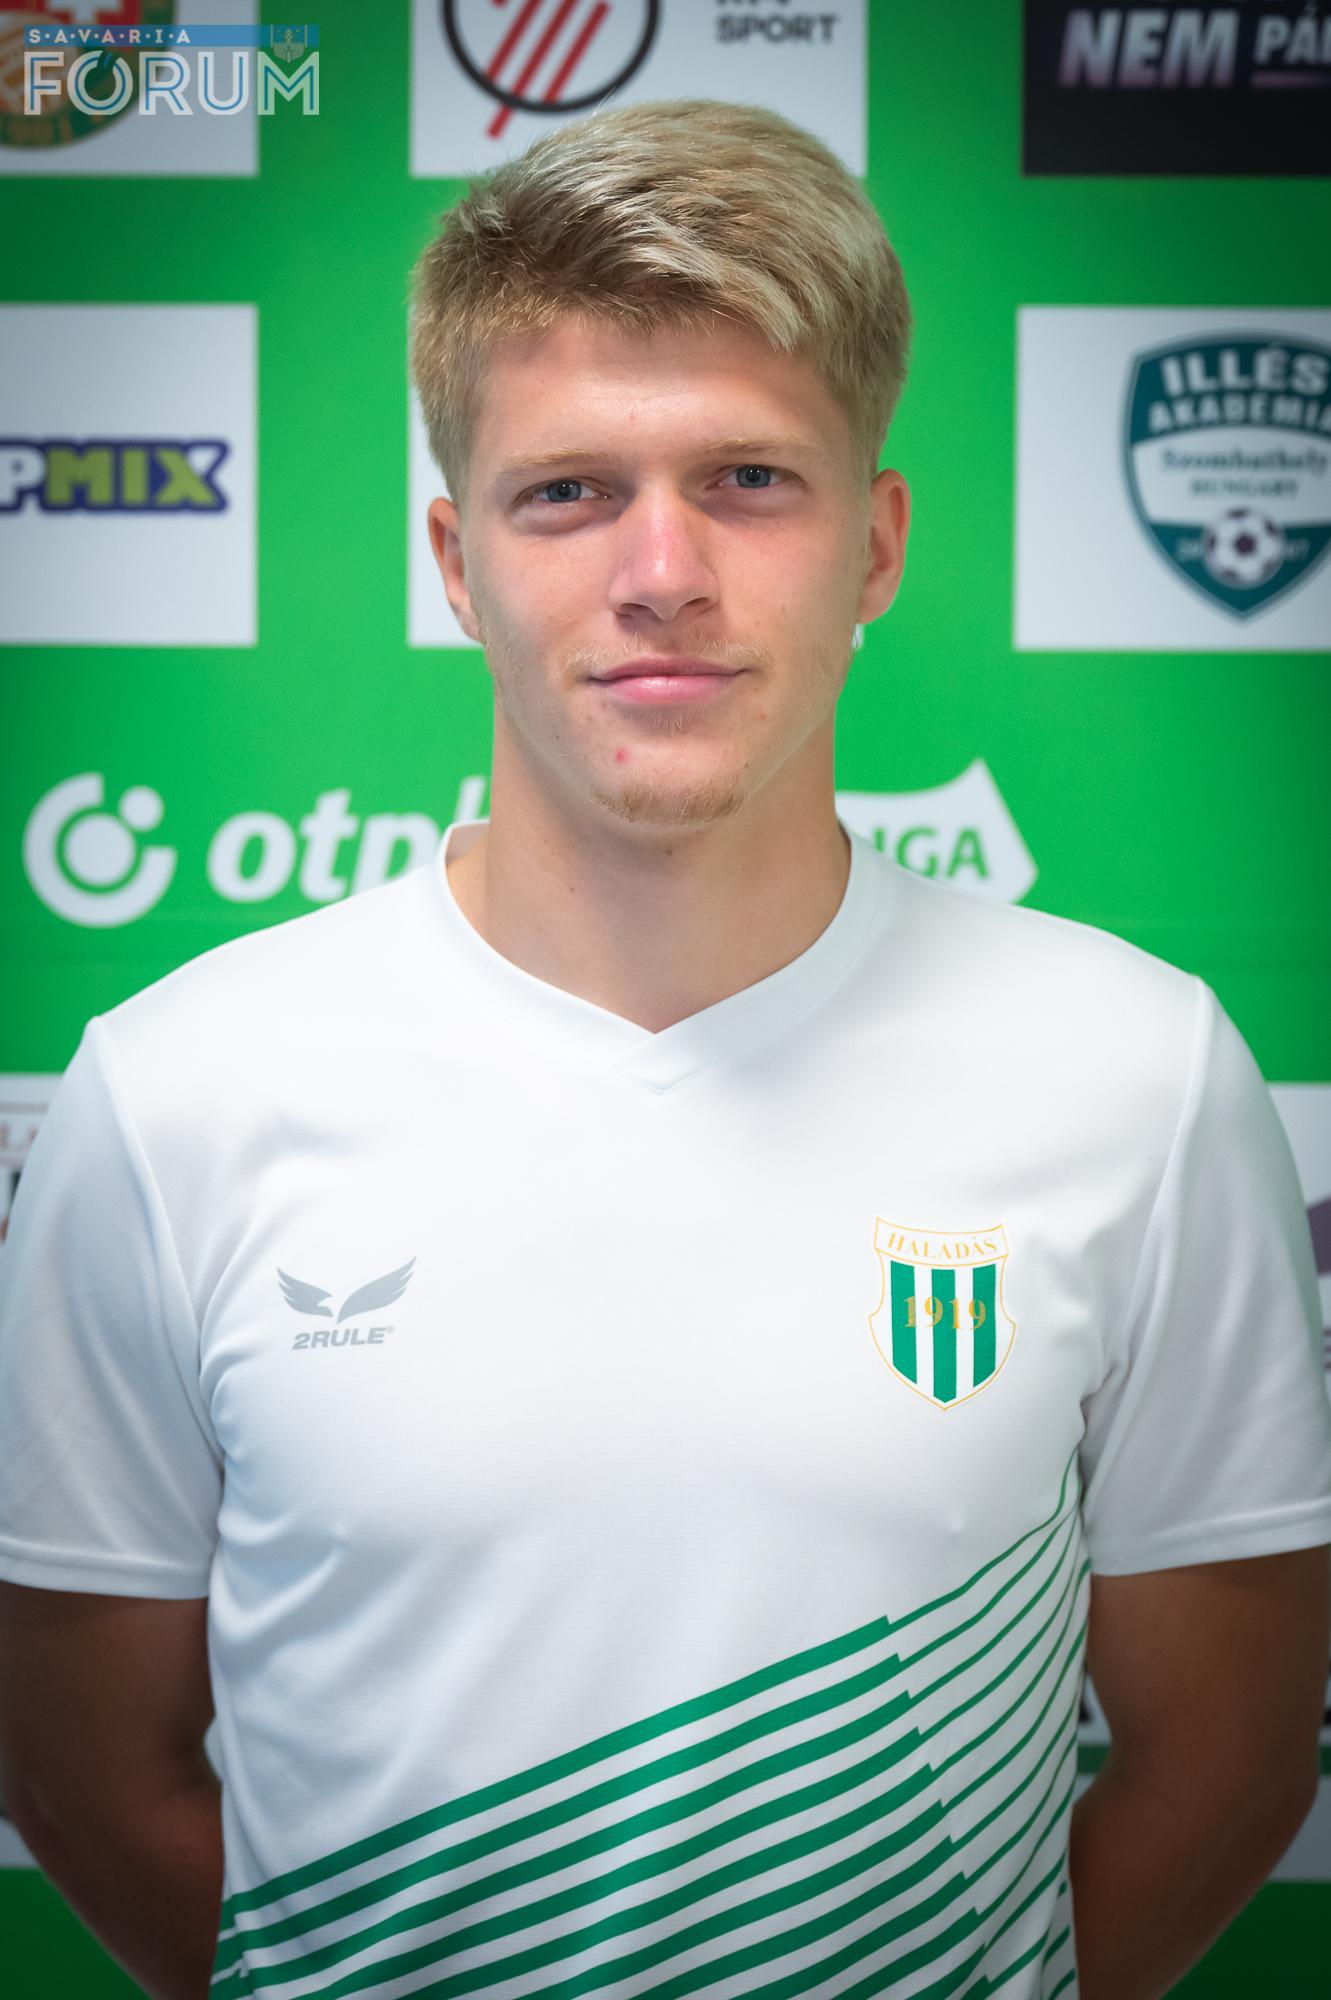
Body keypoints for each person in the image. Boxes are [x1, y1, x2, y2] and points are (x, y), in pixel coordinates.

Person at [0, 97, 1328, 2000]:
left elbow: (1231, 1761)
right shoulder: (177, 1091)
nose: (662, 571)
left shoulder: (1138, 1074)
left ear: (875, 544)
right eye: (567, 492)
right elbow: (82, 1769)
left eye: (749, 480)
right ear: (456, 562)